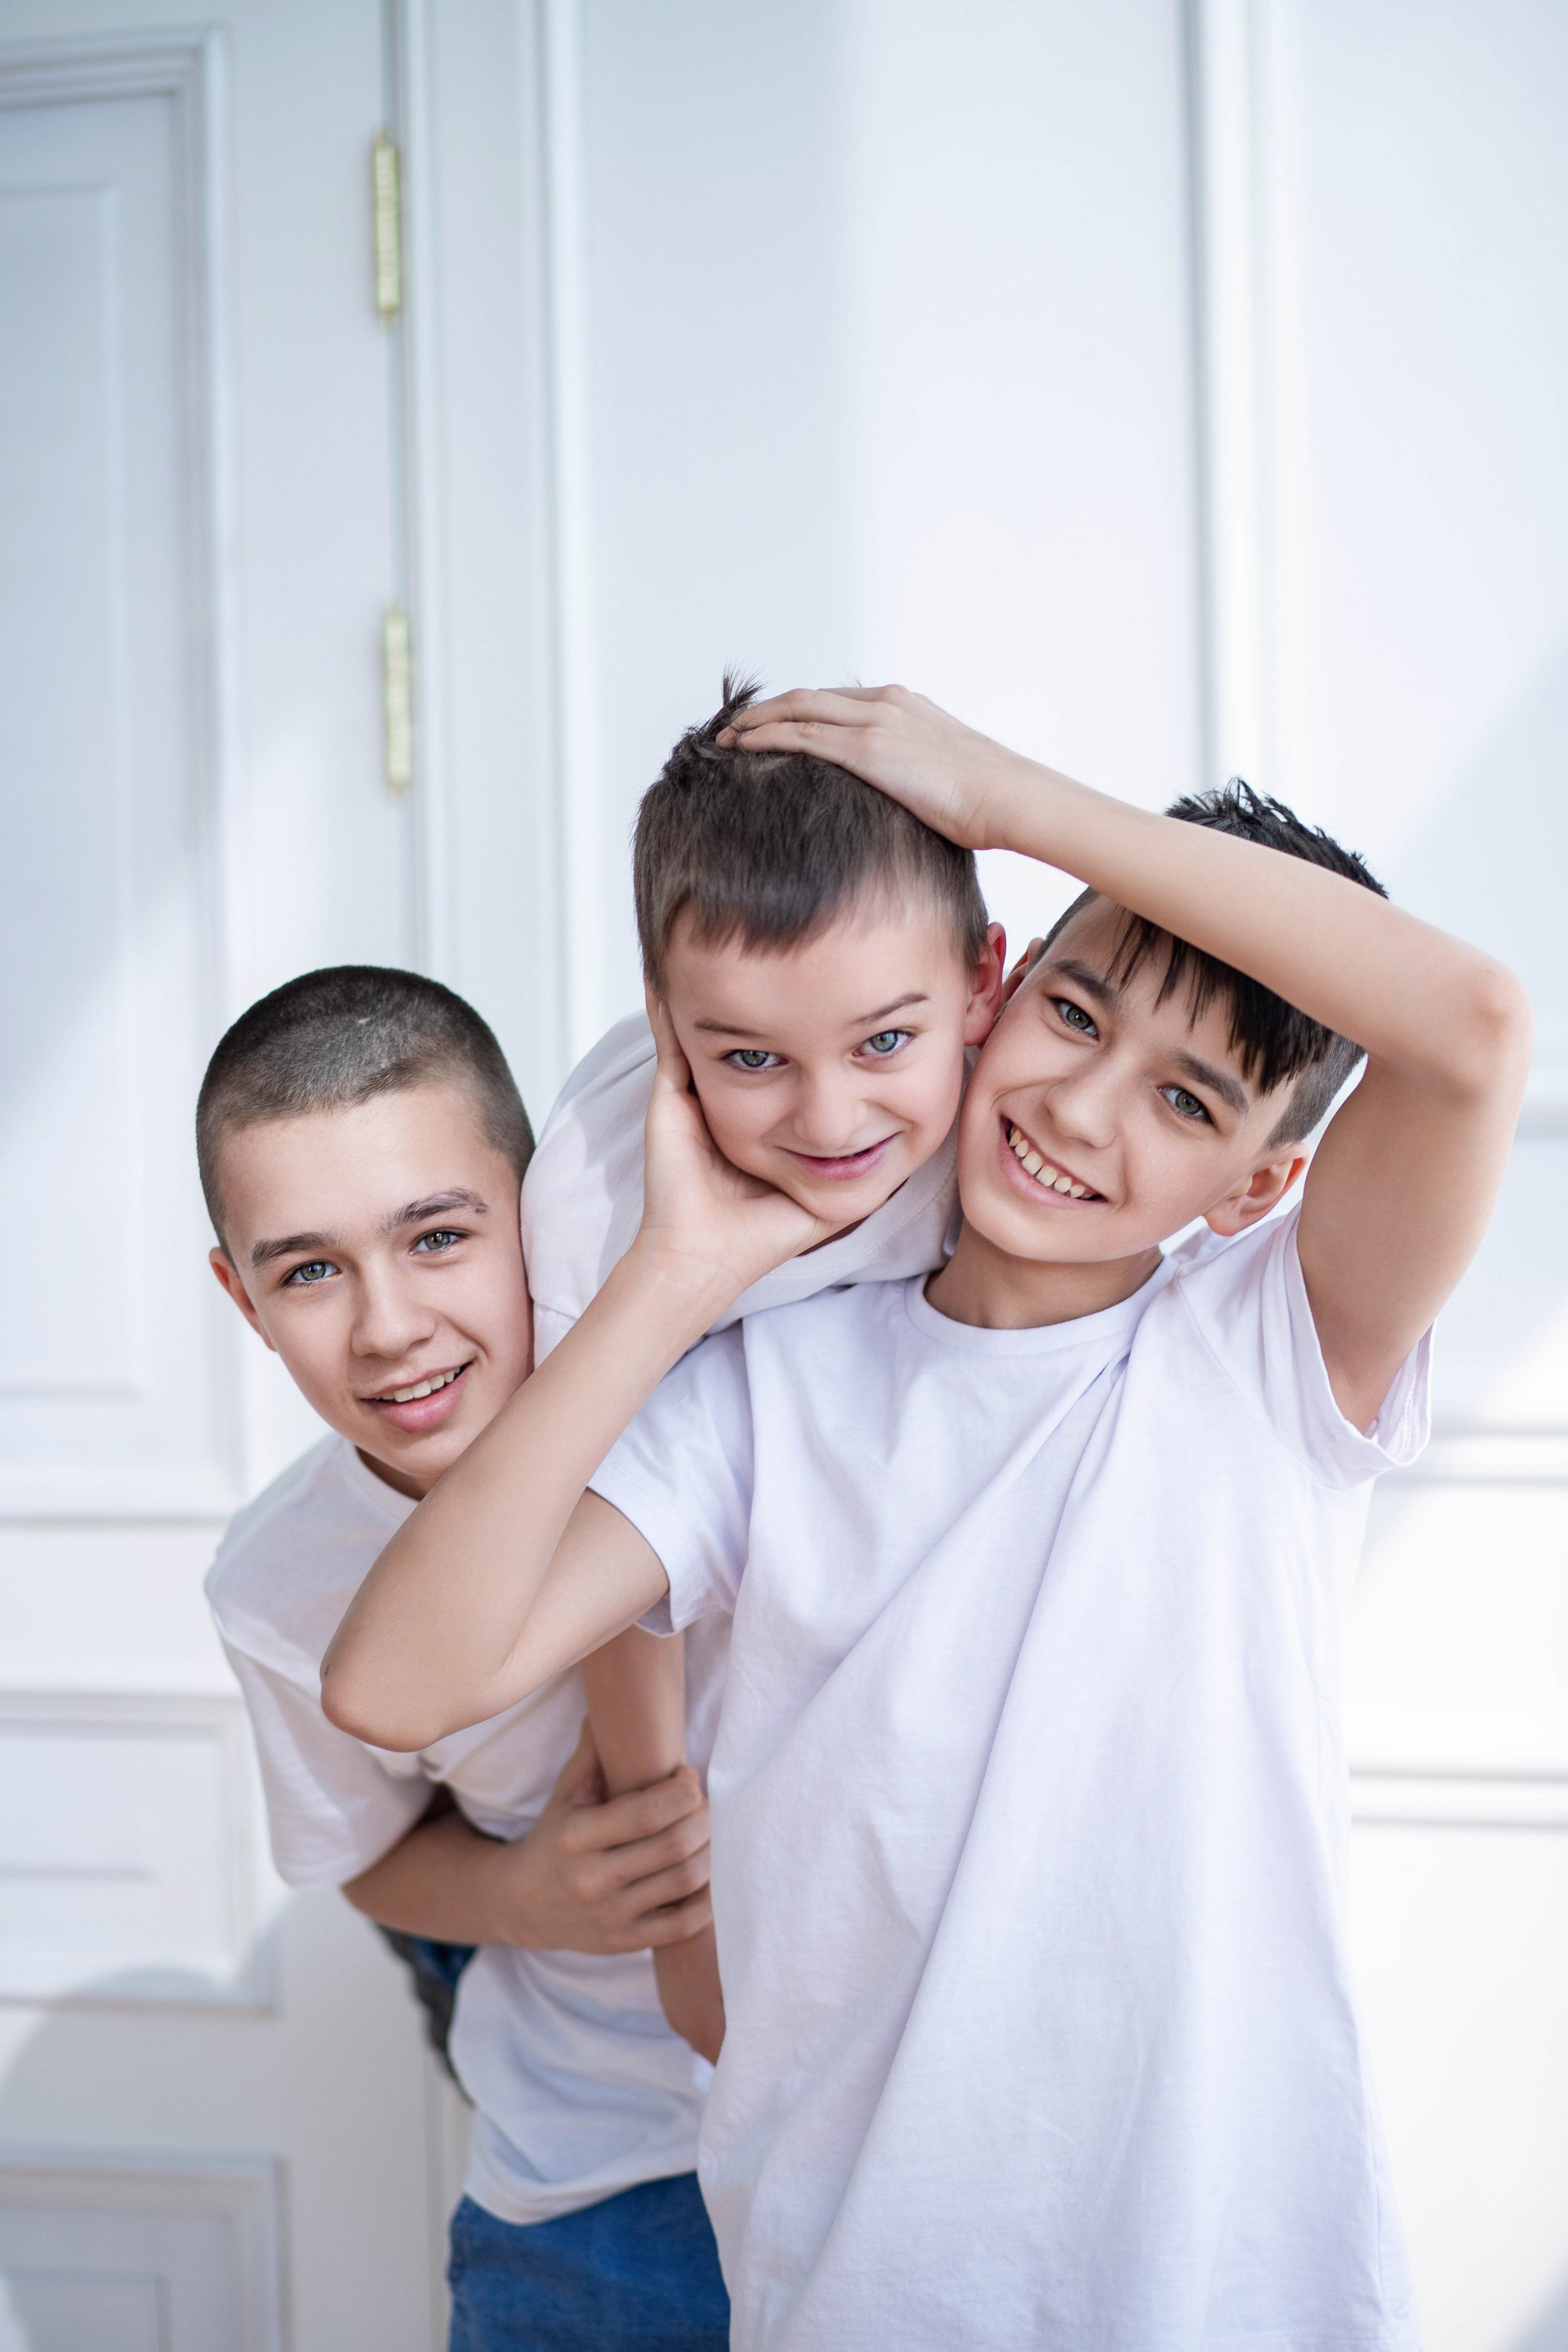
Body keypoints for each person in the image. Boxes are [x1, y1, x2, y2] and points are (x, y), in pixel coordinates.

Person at [323, 685, 1532, 2350]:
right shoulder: (761, 1395)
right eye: (1077, 1016)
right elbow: (394, 1685)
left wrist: (1004, 794)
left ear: (1259, 1185)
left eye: (1187, 1103)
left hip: (1222, 2292)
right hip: (862, 2287)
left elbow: (1473, 1029)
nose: (1084, 1110)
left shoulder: (1267, 1357)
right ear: (1000, 988)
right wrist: (673, 1275)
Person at [199, 966, 729, 2352]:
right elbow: (366, 1857)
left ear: (534, 1209)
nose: (388, 1326)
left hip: (867, 2119)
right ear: (241, 1298)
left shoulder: (718, 1386)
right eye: (309, 1271)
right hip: (599, 2174)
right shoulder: (278, 1586)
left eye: (437, 1236)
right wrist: (523, 1895)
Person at [519, 676, 1005, 2055]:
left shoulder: (1025, 1108)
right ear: (666, 1025)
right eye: (749, 1059)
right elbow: (602, 1547)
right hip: (656, 1649)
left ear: (986, 982)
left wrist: (1012, 799)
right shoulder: (599, 1200)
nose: (832, 1117)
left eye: (886, 1041)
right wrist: (675, 1896)